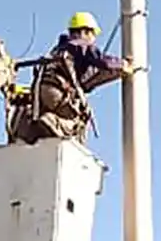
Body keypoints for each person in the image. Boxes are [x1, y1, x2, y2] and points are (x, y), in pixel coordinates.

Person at [9, 11, 134, 145]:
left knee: (40, 119)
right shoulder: (81, 44)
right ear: (85, 32)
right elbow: (102, 60)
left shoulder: (59, 50)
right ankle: (53, 122)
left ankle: (32, 133)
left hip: (41, 92)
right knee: (80, 118)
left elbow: (86, 80)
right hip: (58, 91)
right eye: (93, 35)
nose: (93, 39)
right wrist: (123, 65)